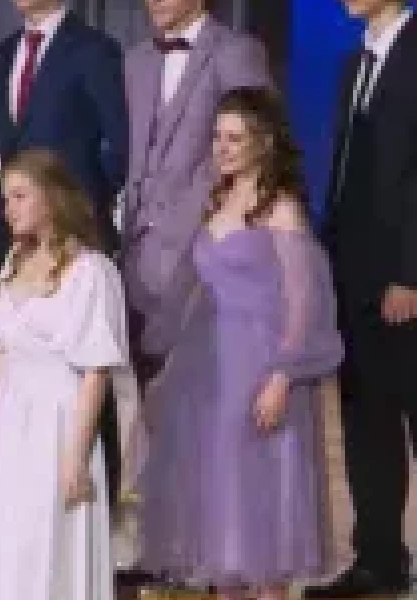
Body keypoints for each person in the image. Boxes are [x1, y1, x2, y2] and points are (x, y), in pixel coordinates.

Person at [139, 87, 343, 600]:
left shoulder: (281, 210)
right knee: (222, 520)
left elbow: (303, 304)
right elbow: (198, 294)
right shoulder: (216, 201)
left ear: (263, 142)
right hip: (214, 372)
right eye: (217, 137)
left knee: (266, 518)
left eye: (234, 138)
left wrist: (282, 377)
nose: (222, 148)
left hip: (263, 367)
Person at [0, 148, 136, 600]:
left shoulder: (90, 272)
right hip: (9, 422)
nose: (8, 208)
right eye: (5, 198)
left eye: (20, 196)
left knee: (47, 542)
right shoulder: (14, 264)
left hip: (57, 423)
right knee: (7, 542)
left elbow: (95, 372)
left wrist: (75, 456)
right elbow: (3, 356)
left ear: (51, 197)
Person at [306, 0, 417, 597]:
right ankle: (378, 560)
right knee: (365, 421)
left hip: (404, 278)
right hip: (353, 273)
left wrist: (409, 273)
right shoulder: (355, 62)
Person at [121, 0, 272, 379]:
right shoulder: (136, 60)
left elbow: (258, 150)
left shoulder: (236, 51)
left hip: (202, 258)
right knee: (146, 394)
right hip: (137, 257)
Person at [0, 0, 127, 265]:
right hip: (10, 235)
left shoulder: (95, 49)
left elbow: (120, 144)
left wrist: (86, 201)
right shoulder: (1, 55)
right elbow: (9, 147)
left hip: (74, 233)